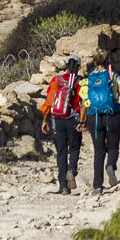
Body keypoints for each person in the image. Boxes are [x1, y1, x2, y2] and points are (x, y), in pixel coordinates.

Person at [77, 58, 120, 195]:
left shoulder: (89, 79)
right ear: (108, 62)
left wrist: (82, 121)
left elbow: (85, 102)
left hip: (94, 118)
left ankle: (97, 185)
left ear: (95, 63)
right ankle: (110, 165)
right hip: (112, 116)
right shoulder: (113, 76)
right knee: (113, 147)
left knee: (99, 152)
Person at [39, 55, 83, 195]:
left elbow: (49, 101)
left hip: (56, 120)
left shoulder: (56, 80)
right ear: (79, 67)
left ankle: (63, 186)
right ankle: (72, 170)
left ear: (65, 66)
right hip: (72, 119)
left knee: (61, 152)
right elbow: (83, 103)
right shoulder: (80, 81)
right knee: (74, 147)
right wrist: (83, 121)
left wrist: (45, 121)